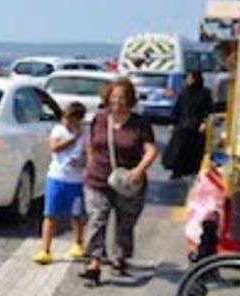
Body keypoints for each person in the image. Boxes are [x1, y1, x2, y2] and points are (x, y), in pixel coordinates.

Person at [81, 78, 158, 285]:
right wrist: (90, 162)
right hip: (98, 178)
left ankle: (120, 258)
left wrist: (139, 170)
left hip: (127, 182)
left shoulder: (139, 123)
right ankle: (94, 262)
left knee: (125, 223)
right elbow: (90, 142)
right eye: (114, 97)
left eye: (122, 98)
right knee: (96, 218)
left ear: (130, 100)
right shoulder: (99, 118)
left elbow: (151, 150)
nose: (117, 102)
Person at [34, 102, 88, 265]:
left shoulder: (86, 133)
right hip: (56, 178)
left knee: (76, 215)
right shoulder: (58, 130)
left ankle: (78, 244)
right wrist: (74, 138)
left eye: (70, 119)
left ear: (78, 119)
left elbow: (88, 154)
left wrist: (82, 161)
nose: (66, 121)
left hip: (75, 181)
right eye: (65, 118)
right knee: (50, 215)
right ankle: (45, 250)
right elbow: (54, 147)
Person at [163, 70, 213, 180]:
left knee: (194, 151)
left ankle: (192, 170)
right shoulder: (185, 92)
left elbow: (208, 110)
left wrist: (204, 122)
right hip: (183, 125)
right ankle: (176, 171)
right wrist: (172, 122)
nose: (188, 80)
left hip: (196, 127)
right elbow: (178, 108)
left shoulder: (205, 93)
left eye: (190, 78)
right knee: (178, 149)